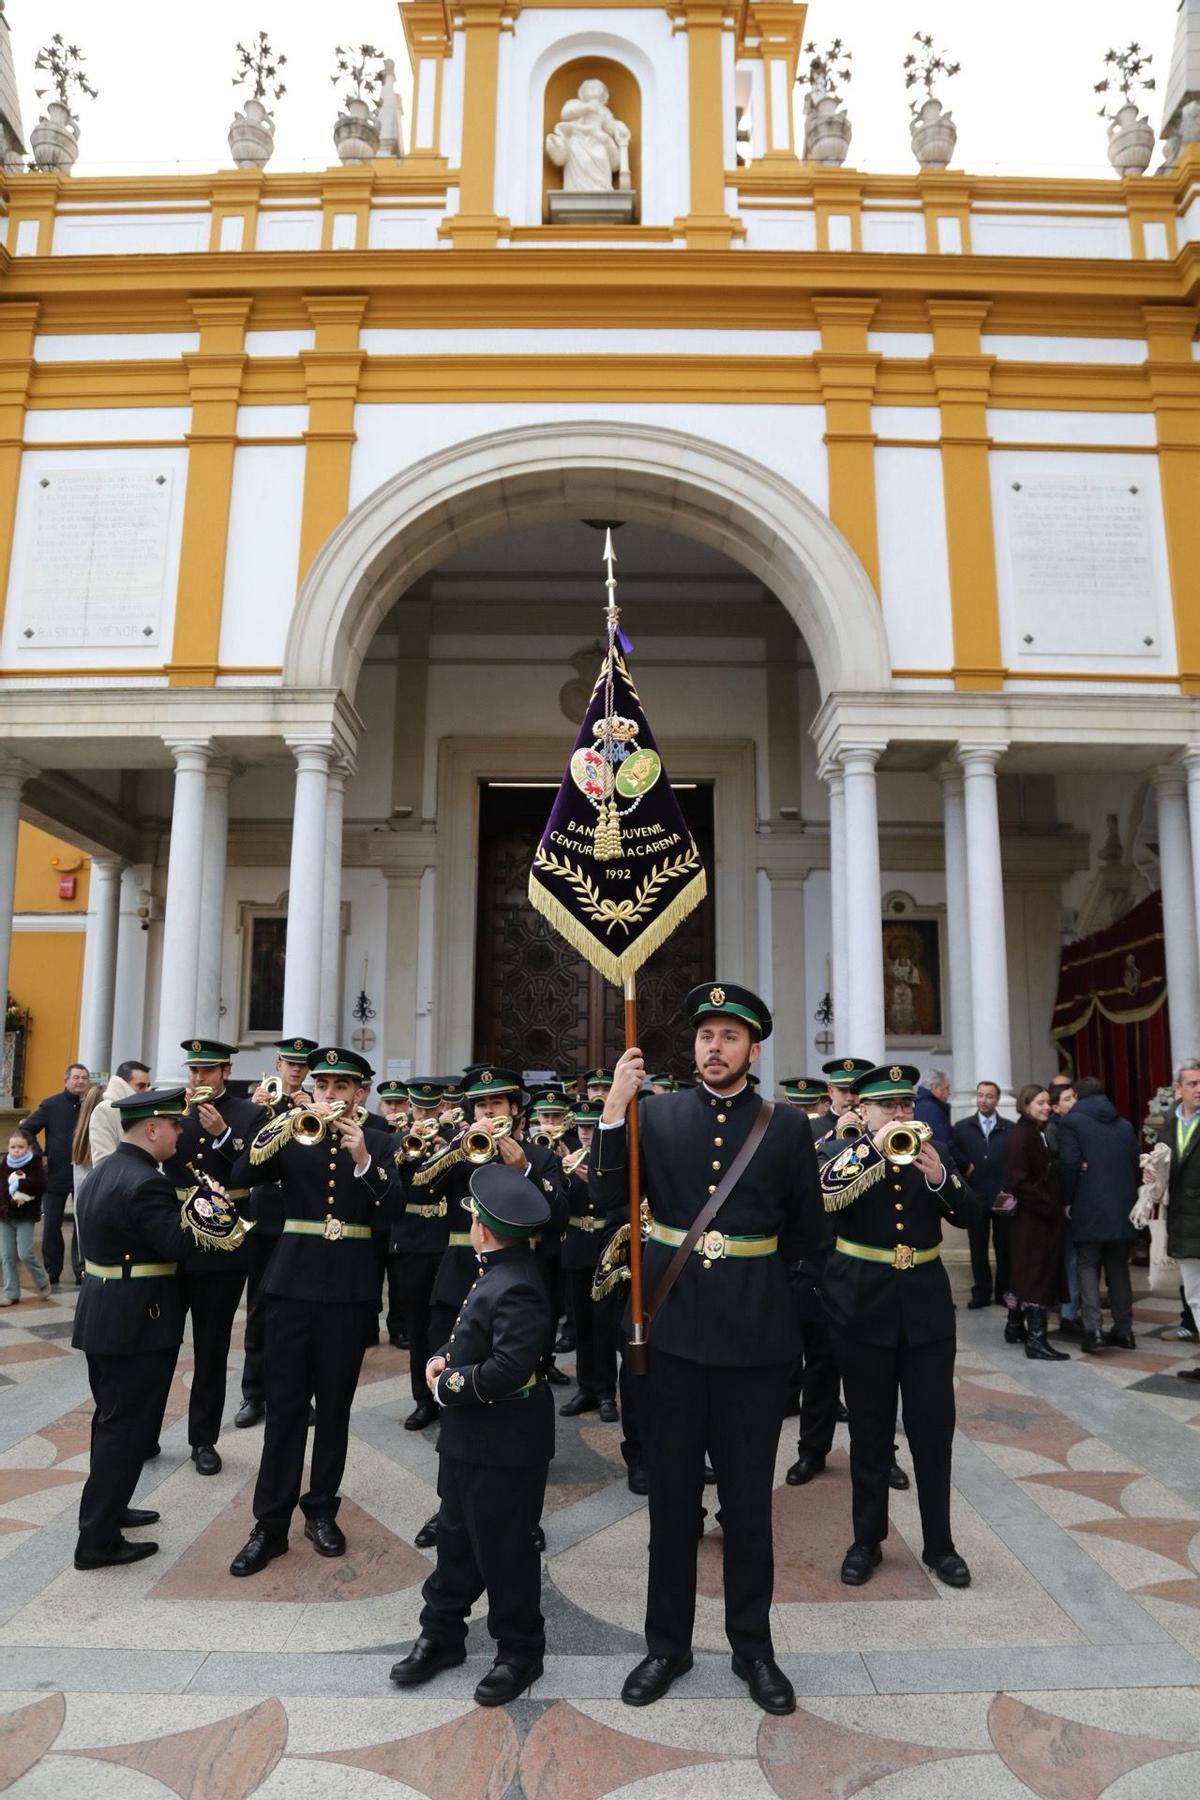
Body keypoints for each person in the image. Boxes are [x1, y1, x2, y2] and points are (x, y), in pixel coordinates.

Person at [592, 982, 820, 1717]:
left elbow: (810, 1240)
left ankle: (754, 1648)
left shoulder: (784, 1128)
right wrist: (613, 1109)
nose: (712, 1048)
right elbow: (605, 1200)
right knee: (672, 1508)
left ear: (754, 1048)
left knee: (750, 1507)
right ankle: (667, 1646)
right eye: (703, 1036)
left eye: (728, 1036)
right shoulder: (655, 1117)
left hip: (755, 1346)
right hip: (674, 1339)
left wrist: (780, 1318)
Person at [226, 1047, 403, 1575]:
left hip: (348, 1292)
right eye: (322, 1085)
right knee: (283, 1410)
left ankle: (321, 1510)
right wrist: (273, 1126)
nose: (328, 1094)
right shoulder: (291, 1132)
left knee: (334, 1409)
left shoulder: (384, 1141)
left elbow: (395, 1210)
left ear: (360, 1093)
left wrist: (363, 1159)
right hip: (290, 1287)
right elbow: (240, 1174)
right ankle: (270, 1524)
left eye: (340, 1086)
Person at [390, 1163, 554, 1706]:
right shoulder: (498, 1270)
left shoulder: (519, 1284)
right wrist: (443, 1358)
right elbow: (471, 1339)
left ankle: (520, 1649)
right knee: (456, 1541)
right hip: (469, 1439)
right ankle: (441, 1635)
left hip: (504, 1444)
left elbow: (510, 1366)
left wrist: (446, 1385)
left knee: (504, 1549)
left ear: (481, 1227)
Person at [820, 1064, 982, 1590]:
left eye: (905, 1104)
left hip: (926, 1312)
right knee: (869, 1435)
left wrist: (938, 1176)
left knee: (933, 1433)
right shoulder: (837, 1150)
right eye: (886, 1105)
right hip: (862, 1309)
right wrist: (874, 1146)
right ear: (860, 1110)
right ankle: (866, 1540)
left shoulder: (929, 1151)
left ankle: (941, 1544)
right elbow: (823, 1192)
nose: (899, 1113)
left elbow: (970, 1214)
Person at [70, 1086, 193, 1569]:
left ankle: (112, 1509)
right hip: (135, 1321)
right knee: (126, 1429)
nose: (180, 1132)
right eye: (176, 1125)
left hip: (104, 1313)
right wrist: (211, 1216)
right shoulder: (147, 1181)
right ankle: (96, 1541)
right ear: (152, 1129)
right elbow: (176, 1246)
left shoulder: (105, 1170)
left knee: (112, 1422)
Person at [157, 1040, 263, 1476]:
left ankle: (203, 1439)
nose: (198, 1080)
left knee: (212, 1346)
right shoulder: (170, 1111)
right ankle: (146, 1430)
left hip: (222, 1246)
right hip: (173, 1239)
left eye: (207, 1072)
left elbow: (252, 1172)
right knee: (159, 1343)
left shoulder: (248, 1114)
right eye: (193, 1072)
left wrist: (222, 1134)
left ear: (225, 1071)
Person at [235, 1037, 318, 1429]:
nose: (297, 1070)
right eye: (290, 1063)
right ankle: (254, 1394)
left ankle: (300, 1393)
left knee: (303, 1312)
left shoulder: (318, 1105)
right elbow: (249, 1157)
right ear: (278, 1064)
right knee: (261, 1309)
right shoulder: (262, 1103)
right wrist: (264, 1113)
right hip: (267, 1219)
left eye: (303, 1065)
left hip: (304, 1218)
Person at [389, 1077, 458, 1429]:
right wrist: (406, 1150)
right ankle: (422, 1400)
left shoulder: (454, 1138)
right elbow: (390, 1186)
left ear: (442, 1108)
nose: (424, 1114)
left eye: (431, 1108)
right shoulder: (397, 1140)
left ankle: (450, 1397)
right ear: (409, 1107)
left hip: (447, 1240)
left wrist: (445, 1147)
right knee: (417, 1325)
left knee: (449, 1324)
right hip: (413, 1242)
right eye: (419, 1108)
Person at [1054, 1075, 1139, 1354]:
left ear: (1077, 1096)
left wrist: (1067, 1200)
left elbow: (1068, 1162)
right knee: (1118, 1267)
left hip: (1088, 1204)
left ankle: (1094, 1331)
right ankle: (1124, 1331)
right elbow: (1136, 1163)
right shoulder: (1125, 1125)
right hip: (1123, 1206)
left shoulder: (1072, 1122)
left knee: (1087, 1264)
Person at [558, 1099, 618, 1422]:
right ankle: (586, 1388)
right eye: (580, 1127)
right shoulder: (565, 1159)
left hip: (604, 1248)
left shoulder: (611, 1159)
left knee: (604, 1324)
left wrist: (591, 1181)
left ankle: (607, 1392)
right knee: (581, 1325)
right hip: (577, 1250)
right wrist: (566, 1175)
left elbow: (618, 1204)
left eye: (590, 1127)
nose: (584, 1133)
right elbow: (556, 1204)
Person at [1003, 1085, 1069, 1360]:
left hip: (1036, 1218)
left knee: (1027, 1273)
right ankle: (1036, 1340)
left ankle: (1015, 1326)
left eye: (1047, 1102)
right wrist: (1048, 1204)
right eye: (1040, 1102)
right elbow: (1019, 1182)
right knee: (1036, 1276)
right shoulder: (1022, 1137)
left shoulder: (1034, 1133)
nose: (1046, 1107)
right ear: (1026, 1104)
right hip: (1033, 1220)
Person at [20, 1061, 90, 1287]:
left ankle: (81, 1269)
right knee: (51, 1224)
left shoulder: (91, 1105)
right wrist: (39, 1155)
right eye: (76, 1077)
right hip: (55, 1174)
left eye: (84, 1078)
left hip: (83, 1172)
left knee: (82, 1222)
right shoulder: (51, 1105)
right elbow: (26, 1128)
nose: (80, 1081)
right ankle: (53, 1269)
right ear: (66, 1080)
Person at [951, 1081, 1014, 1308]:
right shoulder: (962, 1127)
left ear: (996, 1100)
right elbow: (954, 1158)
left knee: (1004, 1247)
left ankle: (1003, 1291)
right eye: (980, 1095)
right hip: (975, 1196)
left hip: (1002, 1196)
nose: (983, 1100)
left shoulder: (1010, 1128)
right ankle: (981, 1292)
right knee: (977, 1248)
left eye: (988, 1096)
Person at [1158, 1060, 1200, 1383]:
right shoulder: (1169, 1122)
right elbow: (1162, 1160)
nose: (1198, 1090)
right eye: (1193, 1084)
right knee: (1196, 1296)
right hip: (1184, 1222)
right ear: (1178, 1089)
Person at [1046, 1081, 1082, 1338]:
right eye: (1068, 1099)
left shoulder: (1078, 1125)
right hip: (1061, 1204)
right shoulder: (1054, 1131)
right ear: (1056, 1107)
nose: (1074, 1103)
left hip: (1075, 1202)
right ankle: (1066, 1313)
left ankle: (1068, 1309)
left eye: (1074, 1097)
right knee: (1069, 1259)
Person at [1, 1127, 52, 1304]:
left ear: (28, 1148)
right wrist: (6, 1202)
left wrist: (20, 1183)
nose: (16, 1150)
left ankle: (42, 1281)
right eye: (13, 1147)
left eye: (20, 1147)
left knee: (25, 1253)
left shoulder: (35, 1164)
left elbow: (41, 1184)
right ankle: (11, 1292)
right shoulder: (5, 1163)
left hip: (25, 1216)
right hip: (5, 1216)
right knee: (6, 1255)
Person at [89, 1062, 153, 1166]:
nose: (146, 1091)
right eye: (140, 1086)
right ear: (122, 1085)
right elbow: (103, 1160)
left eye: (148, 1086)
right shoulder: (104, 1110)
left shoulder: (143, 1110)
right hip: (121, 1179)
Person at [913, 1070, 957, 1164]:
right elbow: (943, 1144)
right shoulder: (930, 1109)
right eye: (947, 1088)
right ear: (936, 1087)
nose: (949, 1093)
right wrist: (965, 1165)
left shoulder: (922, 1105)